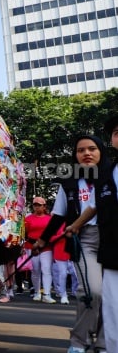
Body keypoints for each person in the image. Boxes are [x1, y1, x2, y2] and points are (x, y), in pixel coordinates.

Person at [34, 135, 111, 353]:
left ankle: (105, 344)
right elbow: (58, 216)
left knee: (110, 295)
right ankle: (79, 342)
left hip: (111, 240)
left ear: (101, 151)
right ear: (75, 156)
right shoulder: (69, 182)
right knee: (91, 292)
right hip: (84, 241)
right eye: (81, 150)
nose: (86, 153)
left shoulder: (112, 176)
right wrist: (42, 240)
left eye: (92, 149)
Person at [95, 115, 118, 353]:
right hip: (113, 255)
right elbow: (93, 207)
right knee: (113, 315)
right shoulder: (106, 174)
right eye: (117, 132)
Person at [26, 196, 56, 304]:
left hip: (46, 247)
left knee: (46, 269)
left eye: (39, 205)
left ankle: (47, 294)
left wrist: (43, 244)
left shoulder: (49, 219)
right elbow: (25, 234)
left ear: (44, 206)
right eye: (35, 205)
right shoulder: (28, 219)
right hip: (32, 246)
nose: (37, 207)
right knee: (35, 270)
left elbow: (53, 233)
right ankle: (37, 292)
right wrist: (32, 246)